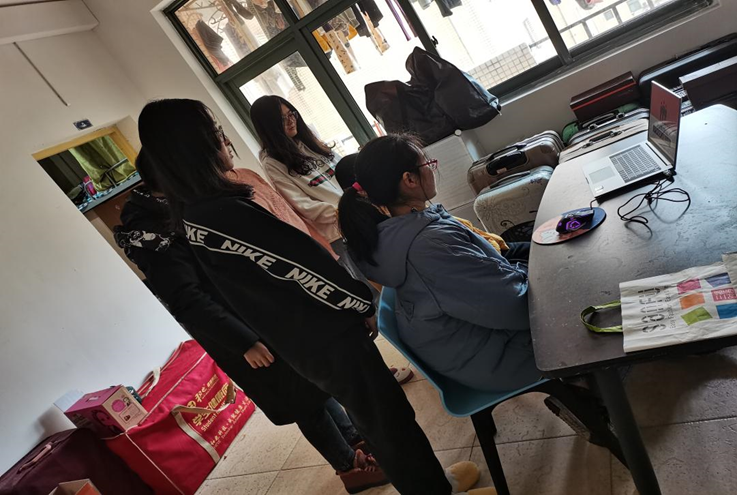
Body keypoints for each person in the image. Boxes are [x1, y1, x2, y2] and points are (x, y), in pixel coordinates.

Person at [136, 99, 494, 495]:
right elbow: (300, 269)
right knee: (387, 421)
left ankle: (434, 484)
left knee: (381, 420)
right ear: (195, 145)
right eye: (217, 133)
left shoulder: (198, 212)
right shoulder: (221, 213)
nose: (226, 142)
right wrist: (359, 302)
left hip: (306, 338)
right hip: (323, 337)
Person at [115, 153, 387, 493]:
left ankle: (352, 437)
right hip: (239, 332)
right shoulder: (148, 230)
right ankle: (348, 467)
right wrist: (244, 341)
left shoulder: (182, 203)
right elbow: (187, 299)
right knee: (299, 401)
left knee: (311, 384)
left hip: (257, 314)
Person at [338, 134, 541, 393]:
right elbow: (517, 309)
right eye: (428, 164)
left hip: (475, 344)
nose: (433, 170)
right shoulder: (429, 246)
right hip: (499, 358)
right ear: (409, 180)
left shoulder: (402, 230)